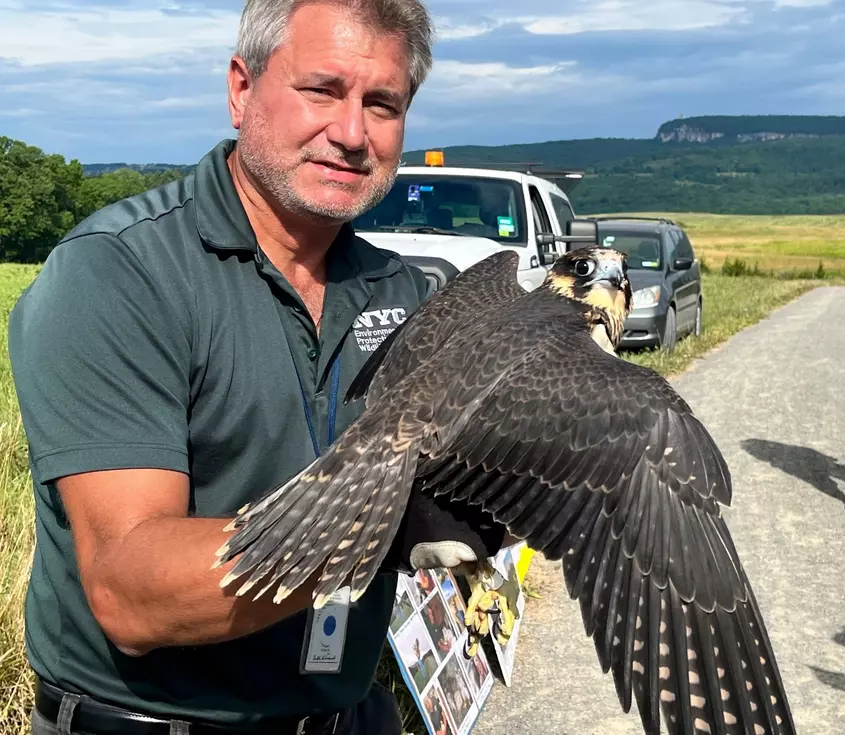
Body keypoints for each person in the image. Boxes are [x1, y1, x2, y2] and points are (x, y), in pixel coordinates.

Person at [8, 1, 507, 733]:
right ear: (242, 88)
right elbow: (129, 591)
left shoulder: (409, 295)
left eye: (382, 104)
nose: (350, 133)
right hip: (152, 721)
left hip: (349, 713)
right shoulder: (120, 274)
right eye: (321, 90)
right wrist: (377, 529)